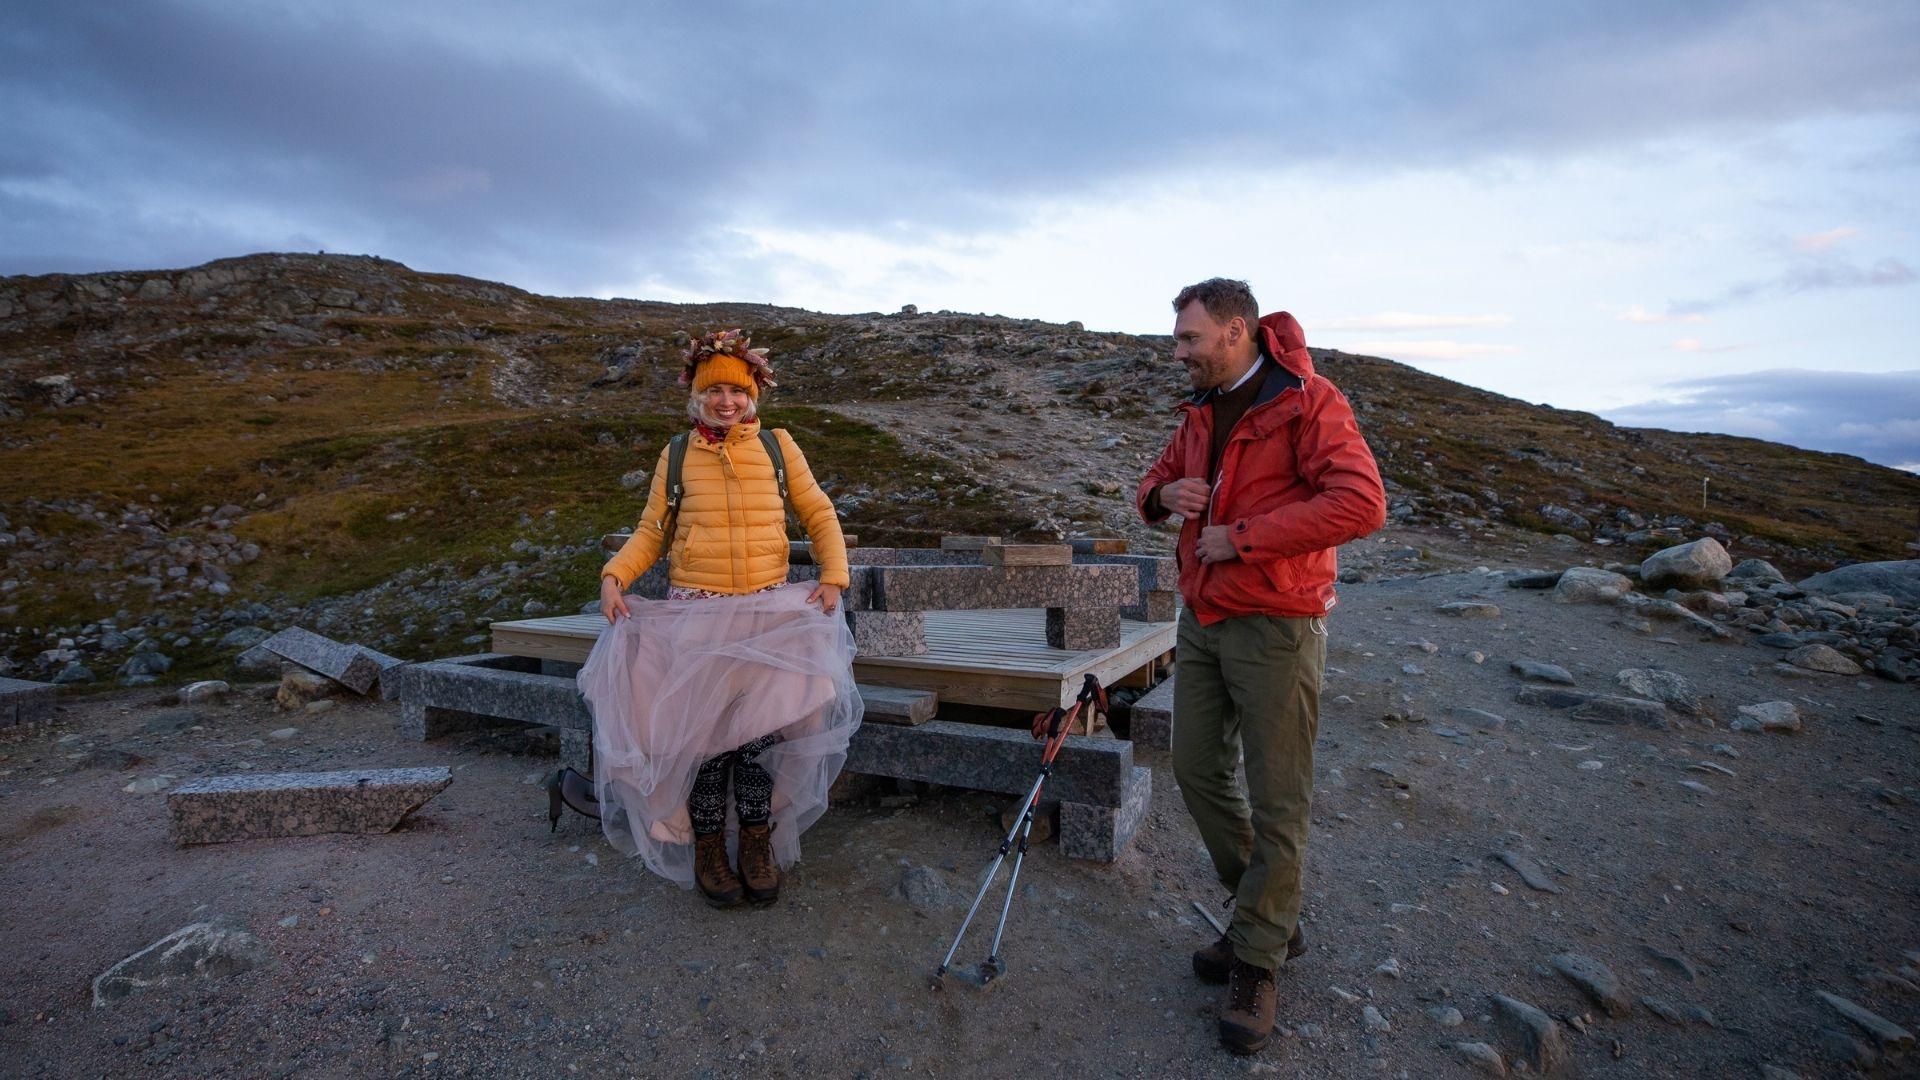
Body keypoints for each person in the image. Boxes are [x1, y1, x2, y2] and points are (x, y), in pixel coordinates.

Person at [1136, 279, 1386, 1055]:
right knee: (1195, 768)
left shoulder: (1308, 400)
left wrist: (1241, 536)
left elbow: (1361, 503)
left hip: (1278, 621)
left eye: (1189, 339)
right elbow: (1154, 481)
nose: (1178, 352)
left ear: (1236, 330)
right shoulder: (1202, 410)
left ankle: (1258, 958)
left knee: (1279, 797)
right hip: (1203, 617)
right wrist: (1158, 498)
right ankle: (1265, 917)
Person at [577, 328, 860, 909]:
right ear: (698, 398)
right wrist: (614, 576)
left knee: (759, 732)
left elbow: (817, 511)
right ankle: (708, 844)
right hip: (697, 615)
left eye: (735, 389)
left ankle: (757, 840)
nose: (725, 401)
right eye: (714, 391)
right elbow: (652, 531)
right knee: (703, 735)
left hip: (770, 613)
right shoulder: (678, 454)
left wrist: (833, 575)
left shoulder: (779, 447)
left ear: (753, 393)